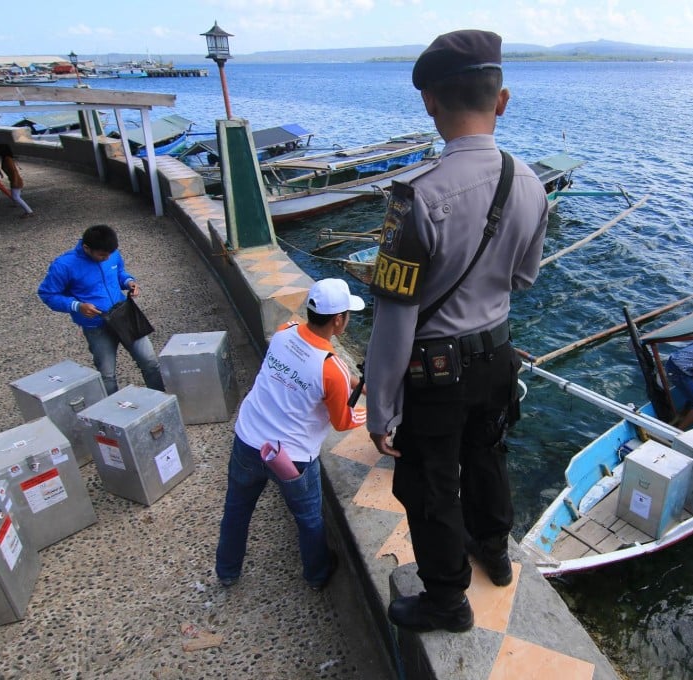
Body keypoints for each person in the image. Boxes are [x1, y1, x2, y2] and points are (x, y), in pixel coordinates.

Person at [364, 30, 549, 633]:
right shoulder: (530, 183)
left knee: (429, 483)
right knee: (488, 455)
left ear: (429, 102)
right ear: (502, 101)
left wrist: (380, 404)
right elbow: (523, 277)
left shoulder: (412, 197)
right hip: (498, 355)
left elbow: (395, 315)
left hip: (434, 370)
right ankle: (493, 550)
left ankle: (446, 598)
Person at [215, 278, 367, 591]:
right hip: (292, 458)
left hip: (247, 439)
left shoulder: (285, 331)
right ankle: (316, 574)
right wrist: (373, 412)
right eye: (347, 315)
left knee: (236, 508)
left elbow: (304, 371)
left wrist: (350, 382)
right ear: (339, 320)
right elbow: (343, 421)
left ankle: (227, 571)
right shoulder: (330, 368)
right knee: (309, 518)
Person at [37, 224, 165, 395]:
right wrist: (77, 306)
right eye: (102, 255)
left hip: (124, 315)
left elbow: (119, 272)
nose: (107, 258)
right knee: (107, 374)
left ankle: (162, 399)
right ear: (86, 248)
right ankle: (113, 413)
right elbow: (48, 294)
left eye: (110, 254)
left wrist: (128, 282)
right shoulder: (64, 265)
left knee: (150, 362)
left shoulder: (111, 255)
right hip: (96, 325)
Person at [0, 143, 34, 218]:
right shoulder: (6, 158)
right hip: (14, 179)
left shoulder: (7, 159)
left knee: (15, 197)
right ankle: (26, 209)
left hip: (15, 180)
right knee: (16, 196)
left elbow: (14, 171)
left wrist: (15, 181)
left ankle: (29, 211)